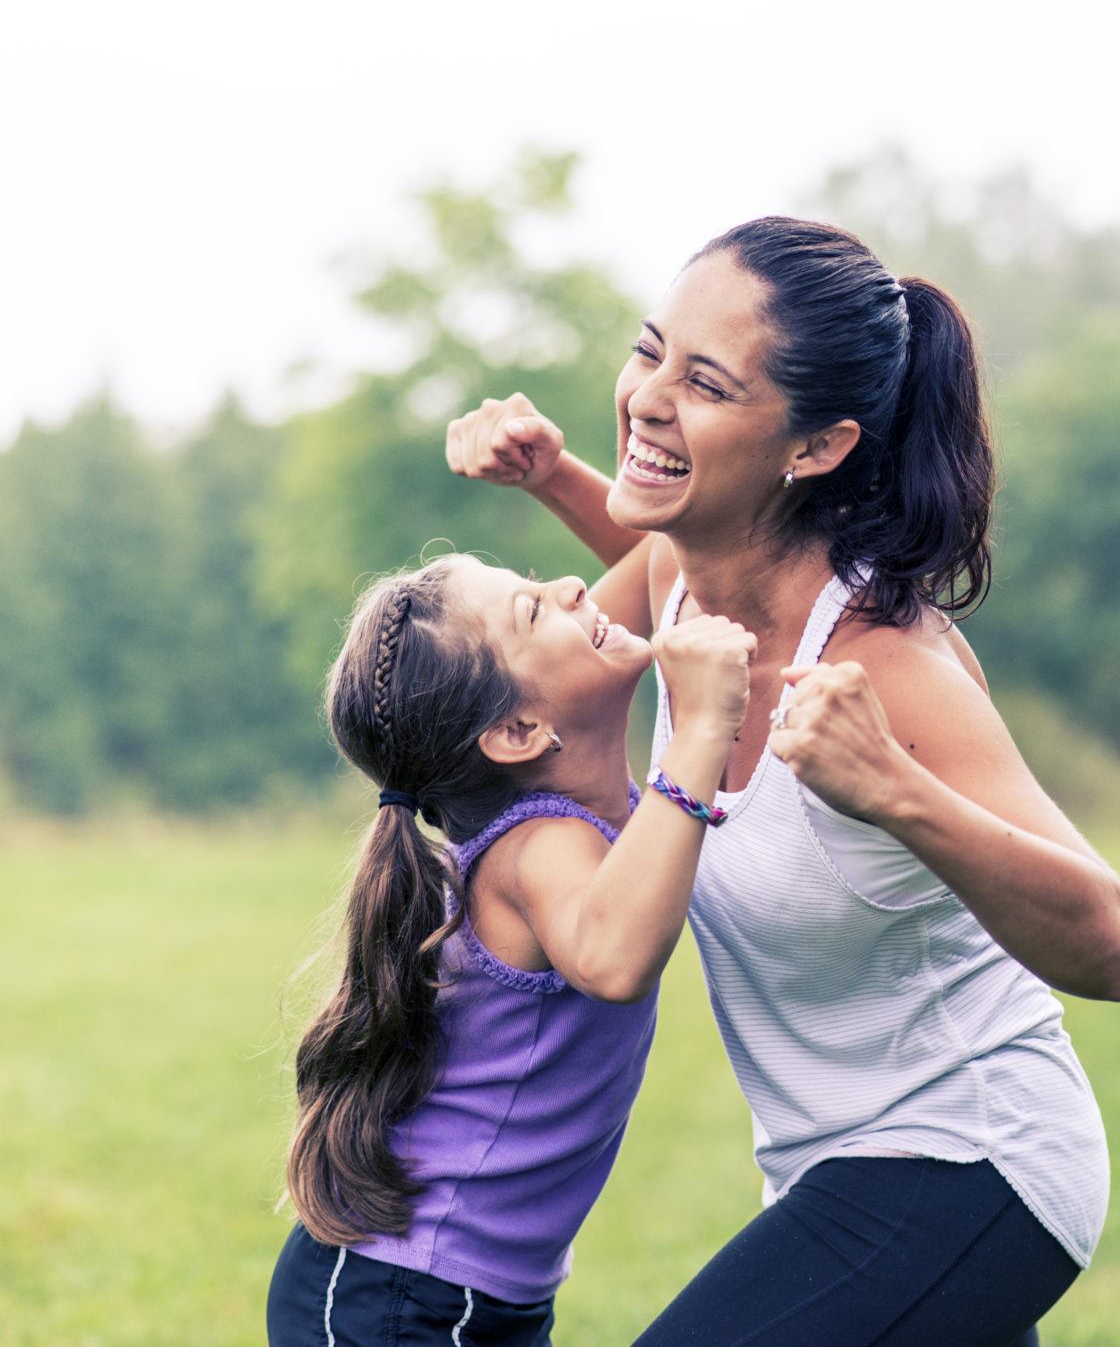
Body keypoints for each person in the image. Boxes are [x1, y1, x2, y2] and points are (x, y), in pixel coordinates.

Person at [443, 217, 1120, 1346]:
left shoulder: (885, 666)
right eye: (649, 350)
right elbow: (591, 628)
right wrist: (555, 474)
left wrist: (895, 793)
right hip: (829, 1166)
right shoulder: (677, 587)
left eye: (706, 383)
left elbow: (1107, 946)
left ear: (813, 447)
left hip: (970, 1155)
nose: (648, 395)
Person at [266, 552, 756, 1346]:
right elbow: (615, 959)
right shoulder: (539, 846)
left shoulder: (565, 810)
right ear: (519, 731)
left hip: (449, 1291)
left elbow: (666, 552)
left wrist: (552, 471)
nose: (573, 587)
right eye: (534, 607)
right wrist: (700, 731)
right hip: (407, 1297)